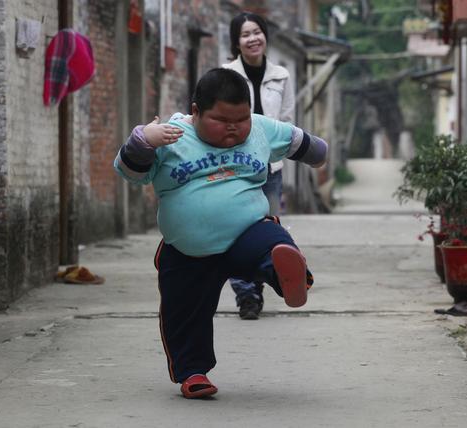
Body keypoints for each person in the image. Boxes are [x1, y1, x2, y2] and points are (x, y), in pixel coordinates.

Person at [113, 68, 327, 399]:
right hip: (189, 252)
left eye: (241, 119)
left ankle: (290, 278)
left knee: (272, 240)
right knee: (183, 313)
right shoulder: (170, 136)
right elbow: (130, 173)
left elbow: (301, 143)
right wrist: (142, 142)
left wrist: (317, 153)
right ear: (196, 111)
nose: (234, 127)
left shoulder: (258, 128)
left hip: (246, 232)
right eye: (222, 119)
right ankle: (193, 373)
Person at [222, 12, 295, 320]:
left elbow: (287, 121)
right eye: (245, 34)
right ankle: (246, 294)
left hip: (270, 168)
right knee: (236, 229)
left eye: (257, 32)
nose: (252, 38)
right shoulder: (225, 75)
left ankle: (258, 285)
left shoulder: (282, 75)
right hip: (236, 167)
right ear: (236, 42)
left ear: (265, 36)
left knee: (265, 230)